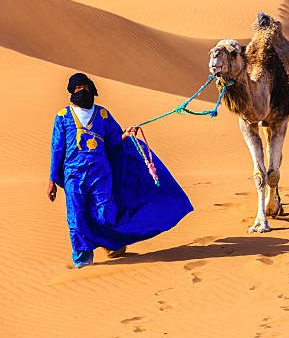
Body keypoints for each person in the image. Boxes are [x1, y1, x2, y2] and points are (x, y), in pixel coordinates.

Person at [48, 73, 193, 268]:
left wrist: (127, 135)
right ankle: (82, 261)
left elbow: (115, 140)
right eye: (78, 88)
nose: (82, 91)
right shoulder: (63, 116)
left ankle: (114, 244)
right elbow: (57, 148)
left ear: (91, 89)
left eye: (85, 87)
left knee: (106, 213)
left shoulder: (102, 115)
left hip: (101, 174)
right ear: (71, 92)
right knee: (76, 216)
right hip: (73, 176)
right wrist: (52, 180)